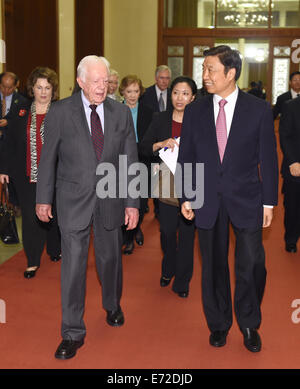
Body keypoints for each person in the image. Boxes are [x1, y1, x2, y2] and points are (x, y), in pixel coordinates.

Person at [36, 55, 139, 360]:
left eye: (105, 80)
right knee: (73, 267)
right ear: (81, 81)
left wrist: (133, 203)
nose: (101, 86)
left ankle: (112, 303)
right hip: (72, 199)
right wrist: (43, 198)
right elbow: (48, 158)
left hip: (111, 198)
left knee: (110, 261)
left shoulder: (120, 113)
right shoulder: (60, 111)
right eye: (95, 81)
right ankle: (71, 331)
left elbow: (130, 160)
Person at [178, 45, 278, 352]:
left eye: (211, 70)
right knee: (213, 266)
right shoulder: (195, 110)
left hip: (247, 198)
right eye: (204, 69)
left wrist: (269, 202)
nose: (204, 76)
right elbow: (187, 157)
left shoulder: (258, 109)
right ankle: (219, 323)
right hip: (206, 200)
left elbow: (268, 158)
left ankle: (249, 323)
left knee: (251, 264)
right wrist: (186, 195)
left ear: (231, 73)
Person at [0, 67, 61, 278]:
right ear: (31, 89)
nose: (43, 92)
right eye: (39, 87)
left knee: (53, 216)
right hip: (26, 174)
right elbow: (8, 142)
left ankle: (54, 248)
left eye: (47, 87)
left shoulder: (61, 112)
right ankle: (32, 260)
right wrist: (4, 169)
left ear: (53, 90)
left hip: (56, 176)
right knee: (29, 217)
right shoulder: (21, 111)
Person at [140, 76, 197, 298]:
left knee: (186, 234)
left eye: (185, 93)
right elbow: (144, 147)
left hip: (193, 181)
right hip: (166, 181)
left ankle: (182, 281)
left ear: (192, 97)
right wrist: (161, 144)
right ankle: (168, 266)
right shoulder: (160, 118)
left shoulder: (200, 121)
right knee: (166, 231)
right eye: (175, 93)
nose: (179, 98)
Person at [119, 74, 153, 255]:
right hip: (120, 163)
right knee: (124, 200)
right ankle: (128, 238)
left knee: (139, 201)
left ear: (141, 92)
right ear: (122, 92)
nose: (132, 95)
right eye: (129, 91)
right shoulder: (115, 110)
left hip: (142, 161)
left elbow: (150, 141)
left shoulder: (148, 112)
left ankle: (135, 228)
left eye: (136, 91)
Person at [141, 65, 172, 217]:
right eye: (162, 78)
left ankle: (162, 209)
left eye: (167, 78)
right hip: (152, 141)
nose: (165, 81)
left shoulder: (174, 94)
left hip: (170, 144)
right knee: (154, 177)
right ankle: (154, 204)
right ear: (155, 78)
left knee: (166, 177)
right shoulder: (146, 94)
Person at [0, 72, 29, 212]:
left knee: (12, 175)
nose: (6, 91)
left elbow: (21, 124)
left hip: (12, 145)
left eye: (10, 87)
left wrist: (8, 123)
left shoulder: (22, 101)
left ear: (16, 85)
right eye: (3, 87)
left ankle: (13, 203)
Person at [279, 97, 300, 253]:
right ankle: (291, 239)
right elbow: (284, 135)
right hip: (296, 166)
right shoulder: (291, 106)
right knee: (293, 206)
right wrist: (292, 161)